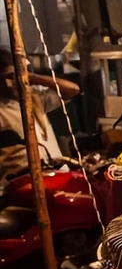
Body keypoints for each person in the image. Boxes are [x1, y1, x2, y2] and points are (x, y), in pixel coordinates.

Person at [0, 48, 80, 186]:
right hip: (18, 183)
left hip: (52, 173)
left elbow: (72, 90)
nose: (7, 84)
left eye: (10, 76)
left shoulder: (35, 98)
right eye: (1, 80)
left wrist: (33, 78)